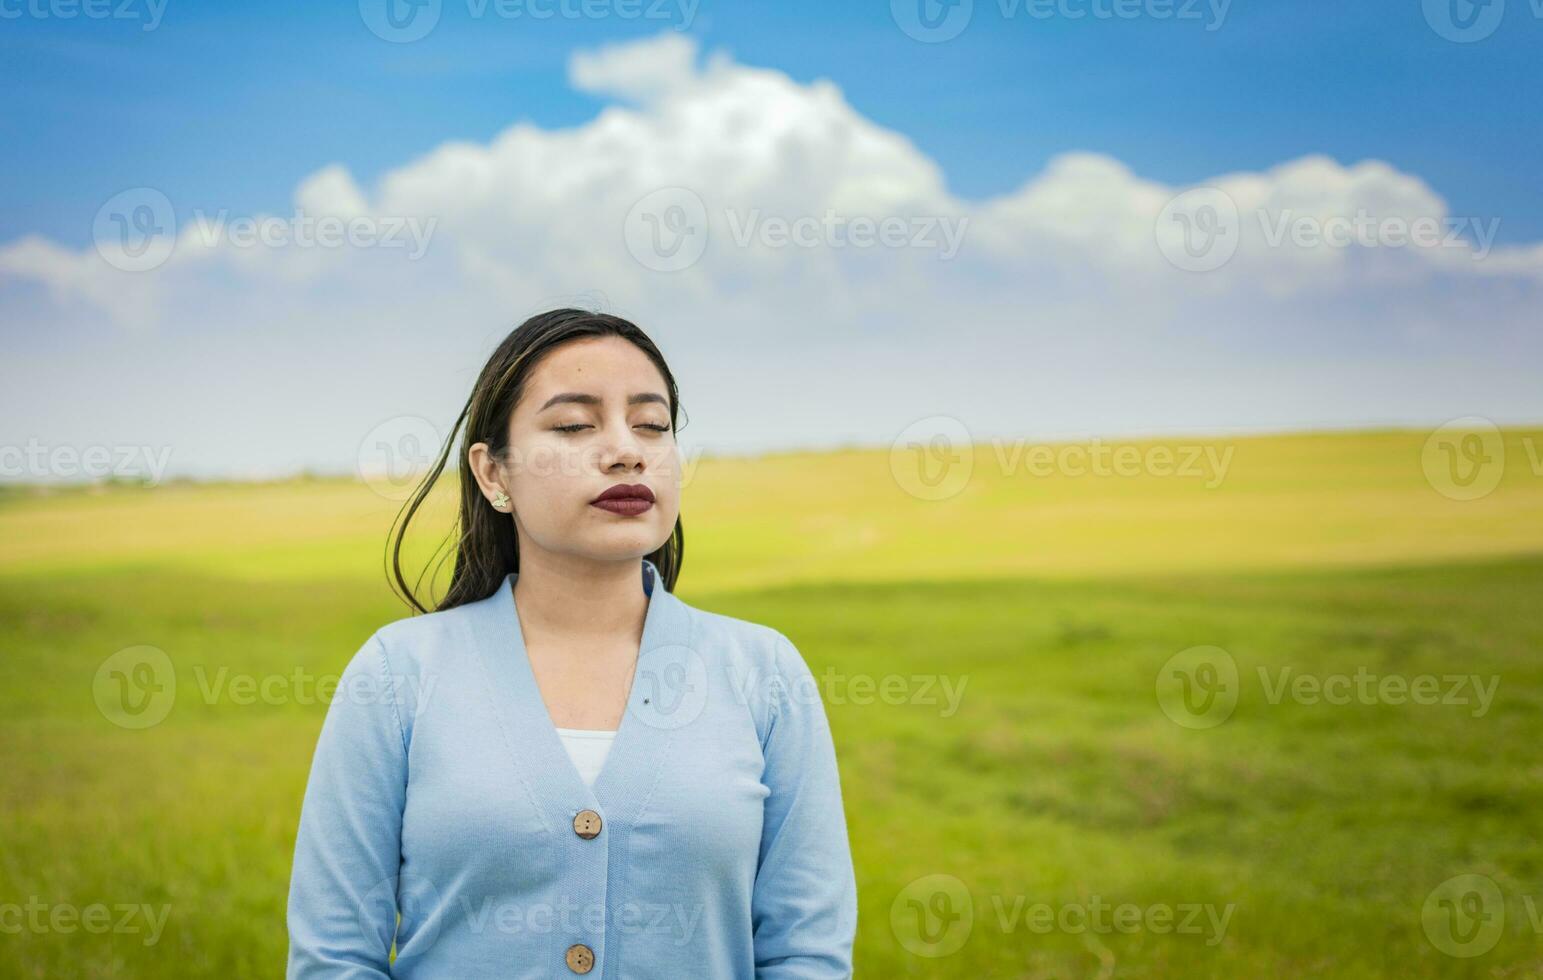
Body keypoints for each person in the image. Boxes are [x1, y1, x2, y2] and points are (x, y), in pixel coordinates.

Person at [285, 309, 857, 978]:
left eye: (652, 424)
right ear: (493, 474)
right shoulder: (398, 672)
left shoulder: (763, 672)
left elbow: (804, 954)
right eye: (573, 426)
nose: (625, 450)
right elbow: (334, 956)